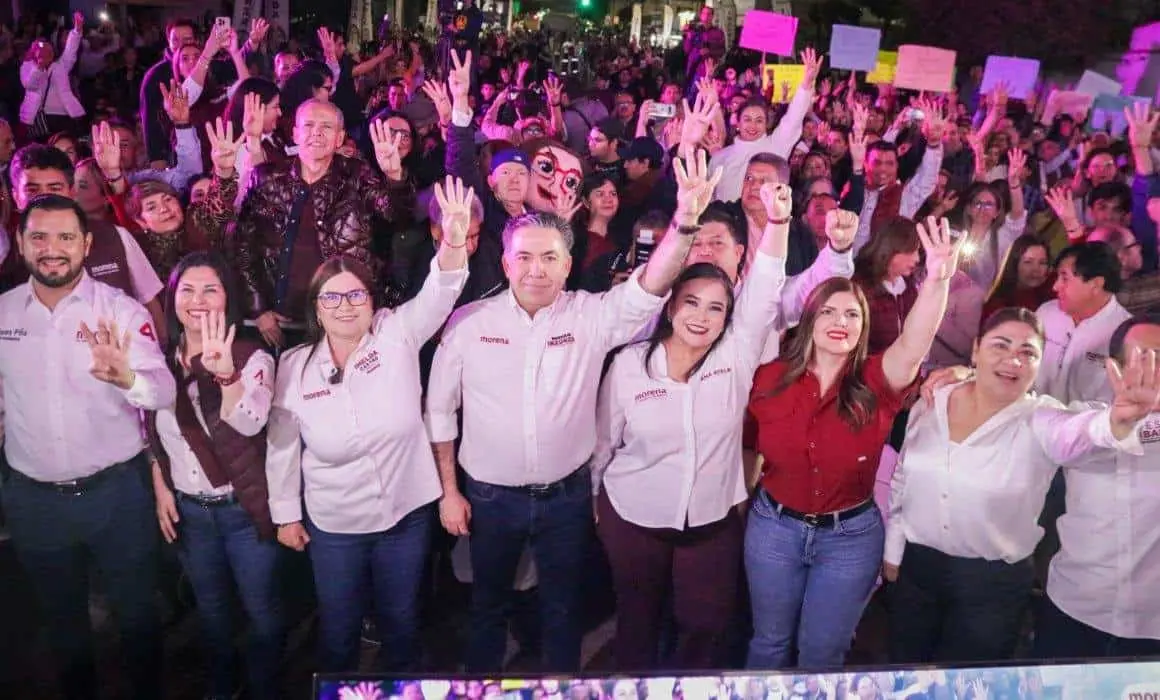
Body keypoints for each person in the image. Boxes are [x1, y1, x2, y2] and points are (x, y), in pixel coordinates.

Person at [426, 150, 723, 672]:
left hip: (566, 496)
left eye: (548, 258)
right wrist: (449, 492)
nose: (536, 269)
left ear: (567, 264)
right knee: (487, 607)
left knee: (562, 609)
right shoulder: (468, 324)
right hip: (489, 497)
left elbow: (651, 284)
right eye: (524, 257)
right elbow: (440, 412)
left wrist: (686, 221)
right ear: (505, 262)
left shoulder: (592, 317)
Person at [267, 176, 473, 672]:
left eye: (355, 296)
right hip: (335, 524)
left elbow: (441, 289)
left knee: (402, 621)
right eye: (332, 299)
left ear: (372, 300)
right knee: (338, 628)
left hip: (406, 514)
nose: (345, 307)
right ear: (317, 307)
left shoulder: (397, 333)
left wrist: (453, 239)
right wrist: (285, 515)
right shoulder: (294, 365)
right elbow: (282, 447)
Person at [744, 216, 963, 669]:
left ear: (864, 327)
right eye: (829, 311)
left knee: (822, 653)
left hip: (849, 539)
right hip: (774, 530)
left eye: (852, 314)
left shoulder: (876, 381)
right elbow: (751, 447)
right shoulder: (769, 379)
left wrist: (938, 280)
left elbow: (915, 343)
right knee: (768, 644)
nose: (840, 321)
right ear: (809, 320)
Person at [591, 181, 793, 670]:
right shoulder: (631, 364)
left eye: (716, 307)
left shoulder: (737, 356)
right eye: (691, 302)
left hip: (711, 522)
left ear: (729, 317)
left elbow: (764, 288)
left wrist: (778, 223)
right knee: (637, 624)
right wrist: (597, 504)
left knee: (705, 626)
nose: (701, 317)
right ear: (669, 304)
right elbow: (603, 444)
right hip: (633, 516)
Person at [885, 307, 1160, 663]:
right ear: (975, 349)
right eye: (1000, 346)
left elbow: (1085, 431)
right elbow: (904, 474)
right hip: (917, 570)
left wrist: (1117, 421)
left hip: (991, 584)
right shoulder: (935, 398)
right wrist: (894, 550)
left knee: (973, 682)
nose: (1013, 360)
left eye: (1028, 353)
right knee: (904, 669)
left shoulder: (1042, 418)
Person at [0, 194, 176, 700]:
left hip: (116, 495)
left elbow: (162, 392)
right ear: (20, 243)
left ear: (86, 244)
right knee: (62, 626)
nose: (51, 249)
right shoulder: (5, 313)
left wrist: (127, 379)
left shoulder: (118, 310)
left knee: (138, 617)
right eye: (39, 237)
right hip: (34, 501)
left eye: (65, 238)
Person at [146, 252, 282, 700]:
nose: (198, 300)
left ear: (228, 298)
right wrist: (159, 481)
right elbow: (148, 429)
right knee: (212, 613)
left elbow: (252, 421)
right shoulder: (158, 362)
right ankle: (224, 686)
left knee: (262, 613)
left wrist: (226, 377)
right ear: (172, 298)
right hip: (191, 513)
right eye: (187, 289)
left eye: (211, 289)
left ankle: (264, 687)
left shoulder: (251, 354)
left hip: (242, 511)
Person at [232, 100, 413, 350]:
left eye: (326, 127)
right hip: (281, 323)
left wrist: (394, 177)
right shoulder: (266, 178)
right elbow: (242, 246)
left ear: (339, 138)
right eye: (309, 125)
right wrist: (258, 308)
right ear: (295, 133)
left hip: (343, 320)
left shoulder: (358, 175)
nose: (316, 132)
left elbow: (397, 217)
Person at [1035, 314, 1160, 659]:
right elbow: (1061, 438)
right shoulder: (1085, 419)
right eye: (1143, 360)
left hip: (1152, 626)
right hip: (1075, 609)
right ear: (1113, 368)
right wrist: (1117, 425)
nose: (1152, 373)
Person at [710, 50, 820, 203]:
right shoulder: (720, 158)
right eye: (747, 119)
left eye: (759, 120)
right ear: (738, 123)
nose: (753, 125)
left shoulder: (775, 145)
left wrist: (806, 85)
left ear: (766, 124)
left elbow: (793, 118)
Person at [19, 13, 86, 141]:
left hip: (63, 116)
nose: (45, 51)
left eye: (48, 49)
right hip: (40, 117)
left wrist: (76, 31)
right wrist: (40, 67)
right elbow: (30, 85)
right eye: (41, 49)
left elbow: (70, 51)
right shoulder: (27, 66)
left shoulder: (60, 65)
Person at [980, 234, 1054, 327]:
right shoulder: (998, 305)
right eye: (1028, 262)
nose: (1036, 269)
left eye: (1042, 263)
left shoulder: (1050, 292)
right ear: (1014, 264)